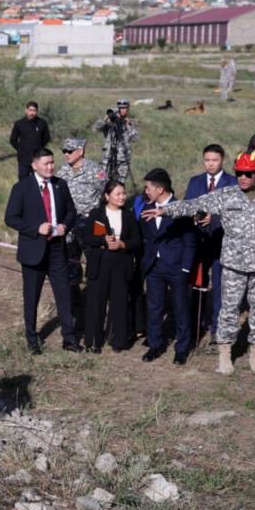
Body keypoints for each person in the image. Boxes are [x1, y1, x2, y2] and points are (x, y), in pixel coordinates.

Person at [143, 152, 255, 376]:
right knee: (228, 311)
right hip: (233, 265)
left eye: (248, 174)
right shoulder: (227, 195)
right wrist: (166, 210)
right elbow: (195, 204)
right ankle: (224, 355)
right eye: (239, 173)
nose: (242, 178)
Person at [5, 148, 79, 354]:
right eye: (46, 163)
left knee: (64, 294)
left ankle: (69, 338)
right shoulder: (22, 188)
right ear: (34, 165)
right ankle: (32, 338)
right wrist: (35, 229)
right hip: (33, 251)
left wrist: (65, 225)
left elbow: (71, 211)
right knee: (31, 297)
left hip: (57, 249)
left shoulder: (60, 185)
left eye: (52, 162)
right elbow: (10, 218)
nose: (50, 167)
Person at [140, 169, 195, 365]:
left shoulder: (180, 209)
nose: (146, 191)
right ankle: (155, 344)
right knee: (154, 307)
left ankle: (182, 348)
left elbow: (189, 241)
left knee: (180, 308)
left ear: (160, 189)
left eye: (148, 187)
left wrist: (185, 268)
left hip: (176, 267)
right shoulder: (147, 208)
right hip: (154, 268)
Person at [81, 179, 141, 353]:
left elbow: (137, 241)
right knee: (96, 302)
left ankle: (117, 340)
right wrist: (103, 240)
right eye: (118, 194)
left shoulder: (129, 215)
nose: (122, 197)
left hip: (121, 264)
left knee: (119, 302)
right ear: (107, 196)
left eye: (124, 193)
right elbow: (87, 237)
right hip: (100, 264)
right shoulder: (96, 214)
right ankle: (94, 341)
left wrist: (123, 244)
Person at [56, 136, 106, 345]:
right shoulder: (62, 171)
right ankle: (75, 308)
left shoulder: (96, 170)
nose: (66, 154)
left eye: (70, 151)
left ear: (81, 151)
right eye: (64, 151)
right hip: (69, 224)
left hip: (90, 222)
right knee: (71, 265)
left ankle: (96, 305)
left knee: (95, 263)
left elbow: (105, 194)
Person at [185, 145, 237, 337]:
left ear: (222, 160)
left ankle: (217, 327)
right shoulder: (195, 181)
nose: (210, 164)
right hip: (199, 241)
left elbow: (236, 212)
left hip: (222, 242)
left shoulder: (232, 182)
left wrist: (214, 218)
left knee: (220, 286)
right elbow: (188, 205)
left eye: (214, 160)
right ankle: (196, 323)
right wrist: (193, 216)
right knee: (198, 283)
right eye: (207, 160)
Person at [92, 98, 138, 182]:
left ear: (128, 109)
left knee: (120, 182)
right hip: (107, 158)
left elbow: (135, 138)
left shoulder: (129, 122)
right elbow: (97, 128)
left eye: (124, 108)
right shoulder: (110, 122)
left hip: (123, 159)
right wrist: (106, 117)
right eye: (120, 108)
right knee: (101, 179)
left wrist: (128, 126)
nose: (122, 110)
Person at [8, 101, 51, 181]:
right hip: (24, 159)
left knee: (39, 180)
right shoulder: (19, 123)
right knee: (23, 181)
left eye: (34, 111)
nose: (32, 113)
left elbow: (46, 138)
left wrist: (39, 148)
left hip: (37, 158)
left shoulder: (42, 123)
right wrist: (20, 149)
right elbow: (13, 140)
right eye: (30, 110)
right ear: (26, 110)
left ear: (37, 112)